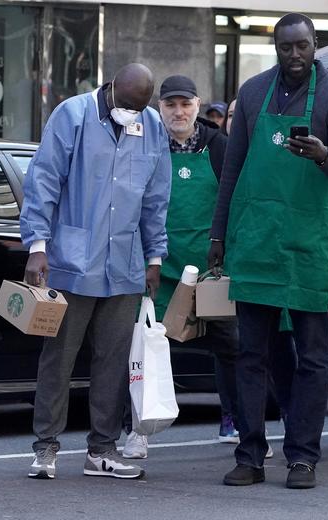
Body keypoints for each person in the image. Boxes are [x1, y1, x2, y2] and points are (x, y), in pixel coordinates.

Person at [208, 13, 328, 489]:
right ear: (274, 46)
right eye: (284, 47)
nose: (294, 55)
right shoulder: (253, 93)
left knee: (315, 358)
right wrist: (218, 237)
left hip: (307, 246)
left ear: (316, 44)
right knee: (250, 352)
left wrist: (322, 156)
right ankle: (250, 454)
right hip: (255, 242)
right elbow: (232, 171)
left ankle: (302, 457)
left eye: (302, 46)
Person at [20, 63, 171, 480]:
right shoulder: (72, 115)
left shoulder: (152, 126)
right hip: (72, 260)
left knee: (113, 360)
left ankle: (101, 450)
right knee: (60, 358)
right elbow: (44, 180)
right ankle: (46, 447)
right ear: (111, 89)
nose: (132, 113)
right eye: (127, 105)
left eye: (140, 108)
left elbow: (157, 196)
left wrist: (155, 258)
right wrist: (37, 245)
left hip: (125, 262)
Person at [120, 75, 239, 459]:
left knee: (233, 347)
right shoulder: (146, 145)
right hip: (161, 268)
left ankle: (237, 421)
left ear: (198, 105)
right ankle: (137, 430)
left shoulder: (219, 147)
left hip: (210, 269)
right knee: (145, 351)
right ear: (160, 108)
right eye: (170, 104)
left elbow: (234, 204)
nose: (178, 111)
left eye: (185, 104)